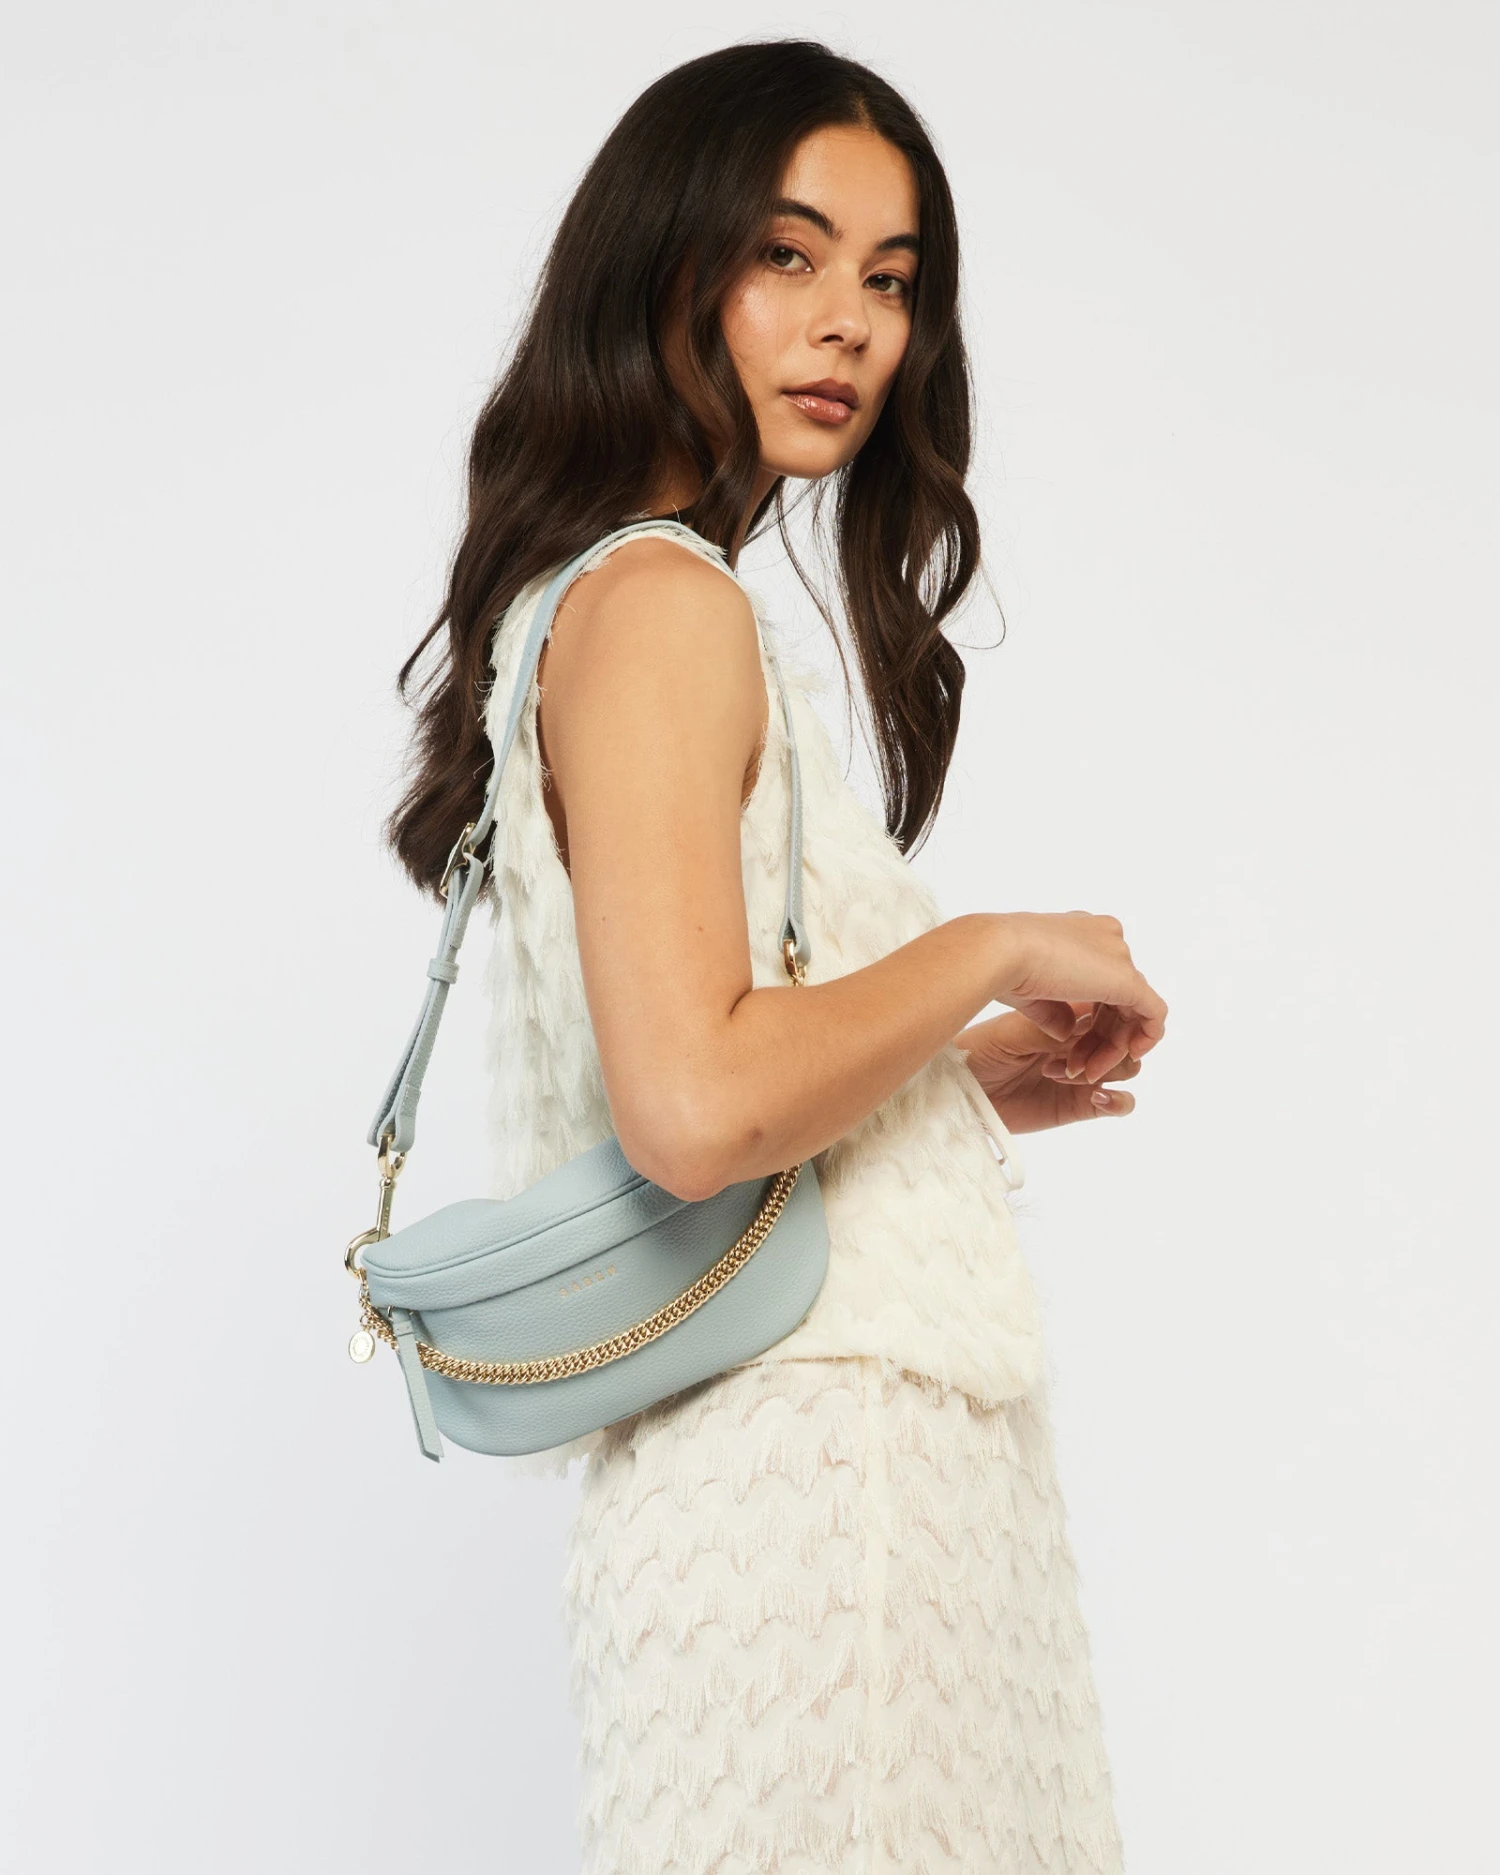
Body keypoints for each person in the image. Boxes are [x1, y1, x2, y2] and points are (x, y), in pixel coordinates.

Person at [385, 37, 1166, 1875]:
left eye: (891, 280)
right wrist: (985, 946)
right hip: (831, 1511)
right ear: (665, 259)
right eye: (788, 255)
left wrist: (939, 1085)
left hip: (784, 1480)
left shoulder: (608, 596)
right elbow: (690, 1109)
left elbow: (713, 1066)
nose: (851, 327)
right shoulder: (665, 602)